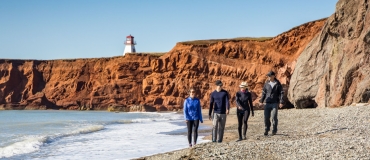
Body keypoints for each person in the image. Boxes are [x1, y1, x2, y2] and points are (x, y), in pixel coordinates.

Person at [259, 71, 284, 136]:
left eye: (270, 76)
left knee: (274, 117)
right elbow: (264, 93)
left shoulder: (278, 84)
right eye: (268, 76)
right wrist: (261, 101)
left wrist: (281, 102)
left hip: (274, 103)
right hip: (267, 103)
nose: (269, 77)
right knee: (266, 117)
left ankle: (274, 130)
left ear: (273, 76)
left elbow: (281, 93)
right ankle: (267, 129)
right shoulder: (266, 84)